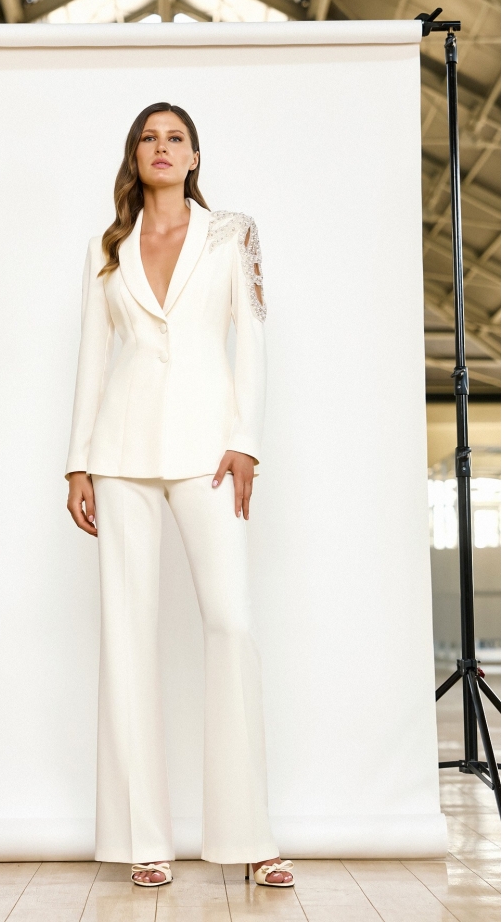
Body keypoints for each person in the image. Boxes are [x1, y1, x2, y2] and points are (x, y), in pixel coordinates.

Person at [64, 102, 294, 890]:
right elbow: (94, 358)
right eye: (148, 138)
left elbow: (252, 338)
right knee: (126, 635)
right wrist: (78, 463)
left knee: (230, 623)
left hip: (209, 450)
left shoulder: (233, 233)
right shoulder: (108, 247)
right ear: (135, 156)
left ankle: (251, 837)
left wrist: (246, 439)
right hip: (119, 452)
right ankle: (144, 839)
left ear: (195, 156)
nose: (161, 148)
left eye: (175, 138)